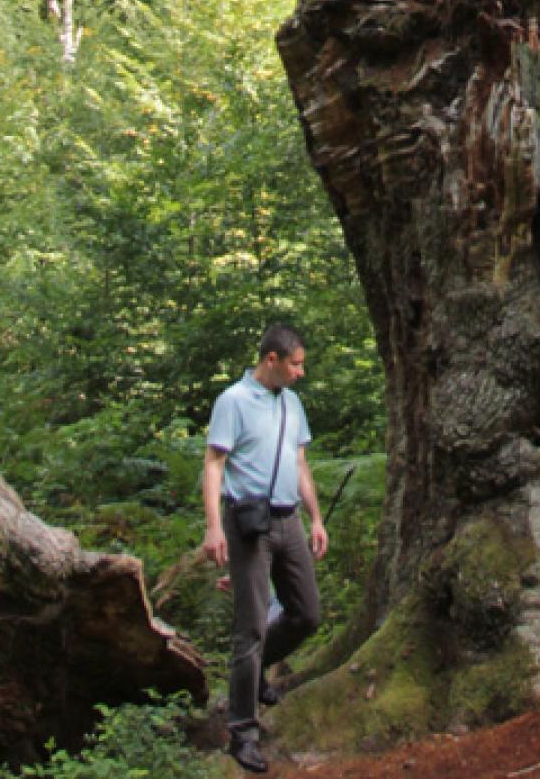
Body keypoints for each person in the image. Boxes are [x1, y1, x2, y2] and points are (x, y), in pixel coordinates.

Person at [202, 324, 329, 774]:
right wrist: (214, 527)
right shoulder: (233, 401)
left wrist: (315, 518)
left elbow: (299, 462)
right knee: (251, 627)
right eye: (295, 364)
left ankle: (255, 675)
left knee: (306, 613)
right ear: (271, 360)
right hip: (248, 523)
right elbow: (214, 464)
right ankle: (243, 732)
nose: (300, 373)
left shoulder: (292, 403)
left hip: (288, 520)